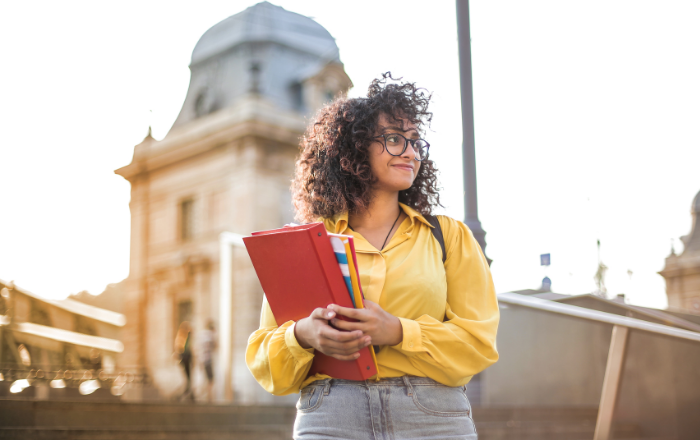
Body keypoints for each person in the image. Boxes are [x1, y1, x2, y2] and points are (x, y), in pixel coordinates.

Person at [245, 73, 499, 439]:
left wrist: (397, 331)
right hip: (331, 415)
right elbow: (265, 359)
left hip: (432, 417)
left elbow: (478, 343)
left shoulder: (449, 236)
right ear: (354, 148)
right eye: (395, 139)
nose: (410, 152)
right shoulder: (306, 245)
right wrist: (303, 335)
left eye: (415, 142)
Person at [174, 321, 194, 401]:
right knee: (187, 378)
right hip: (184, 358)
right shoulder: (181, 337)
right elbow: (179, 349)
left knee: (189, 378)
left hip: (187, 359)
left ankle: (189, 393)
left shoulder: (187, 338)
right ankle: (187, 393)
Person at [199, 319, 217, 402]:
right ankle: (208, 397)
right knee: (210, 379)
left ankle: (206, 395)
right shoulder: (209, 335)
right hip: (208, 360)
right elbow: (214, 345)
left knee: (206, 379)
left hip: (202, 359)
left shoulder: (202, 334)